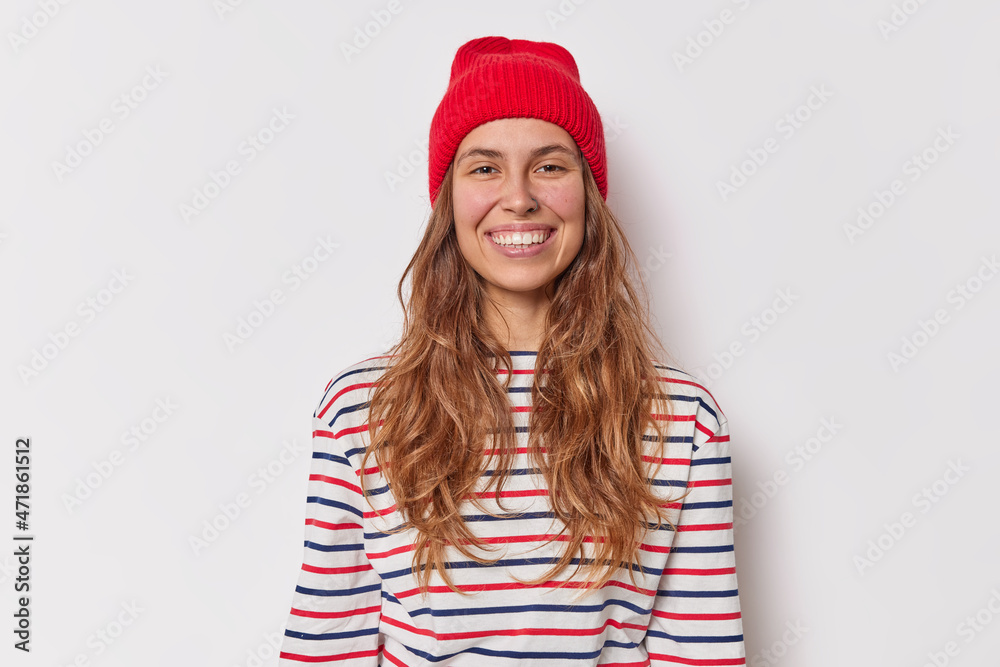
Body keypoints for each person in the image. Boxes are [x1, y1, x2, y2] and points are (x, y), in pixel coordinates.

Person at [278, 36, 745, 666]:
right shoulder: (361, 410)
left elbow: (702, 654)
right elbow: (326, 646)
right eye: (485, 167)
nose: (519, 197)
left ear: (589, 195)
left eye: (551, 166)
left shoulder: (682, 419)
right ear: (448, 198)